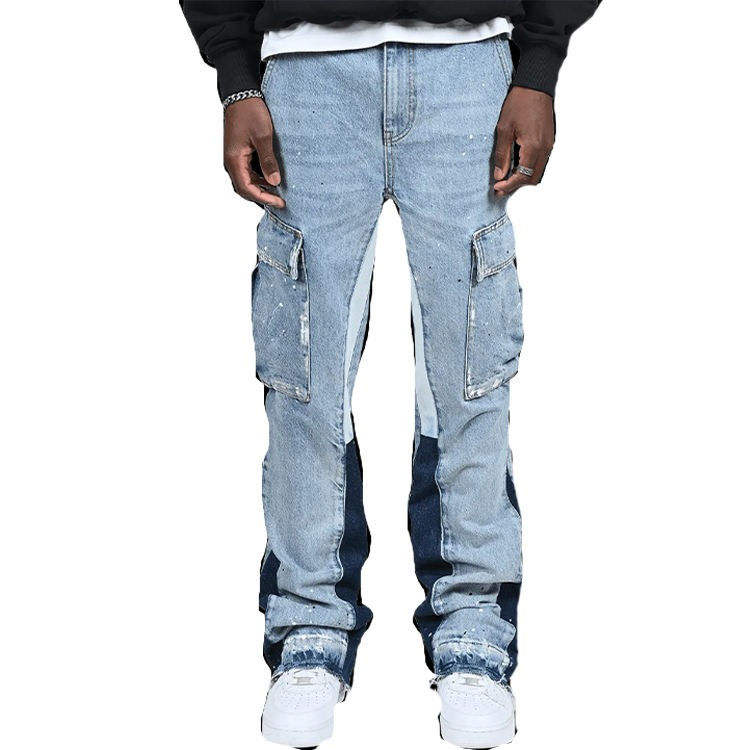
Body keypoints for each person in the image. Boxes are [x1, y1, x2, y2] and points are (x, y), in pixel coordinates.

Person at [181, 2, 599, 747]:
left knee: (469, 370)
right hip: (306, 71)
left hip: (467, 65)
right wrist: (236, 80)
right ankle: (308, 631)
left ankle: (473, 634)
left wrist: (539, 67)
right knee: (304, 374)